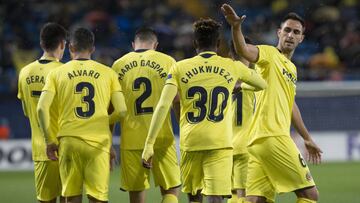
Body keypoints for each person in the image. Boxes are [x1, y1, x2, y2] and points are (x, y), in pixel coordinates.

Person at [142, 18, 267, 203]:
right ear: (218, 43)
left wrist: (149, 144)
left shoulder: (179, 67)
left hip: (191, 141)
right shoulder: (232, 66)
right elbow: (261, 84)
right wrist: (240, 86)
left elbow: (162, 105)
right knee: (215, 198)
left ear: (194, 43)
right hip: (220, 143)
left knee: (194, 197)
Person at [221, 4, 323, 203]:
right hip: (273, 136)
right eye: (287, 30)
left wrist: (307, 138)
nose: (290, 35)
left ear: (302, 38)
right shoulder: (268, 54)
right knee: (310, 195)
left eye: (296, 32)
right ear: (279, 32)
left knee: (255, 200)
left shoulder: (291, 69)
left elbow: (290, 104)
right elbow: (244, 49)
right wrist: (236, 27)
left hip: (257, 143)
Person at [37, 27, 127, 203]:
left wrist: (49, 142)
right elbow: (122, 111)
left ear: (71, 47)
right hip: (98, 142)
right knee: (98, 198)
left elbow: (41, 108)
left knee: (71, 197)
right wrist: (102, 122)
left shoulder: (56, 73)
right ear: (92, 49)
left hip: (69, 141)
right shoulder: (108, 73)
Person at [111, 27, 181, 203]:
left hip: (131, 140)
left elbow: (111, 109)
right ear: (155, 45)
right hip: (162, 138)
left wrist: (108, 142)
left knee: (136, 194)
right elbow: (177, 101)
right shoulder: (168, 61)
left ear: (133, 44)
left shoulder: (118, 65)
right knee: (171, 189)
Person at [17, 22, 67, 203]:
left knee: (45, 200)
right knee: (69, 199)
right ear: (62, 44)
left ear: (41, 43)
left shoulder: (25, 72)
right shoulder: (64, 72)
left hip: (41, 149)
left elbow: (26, 111)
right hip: (66, 147)